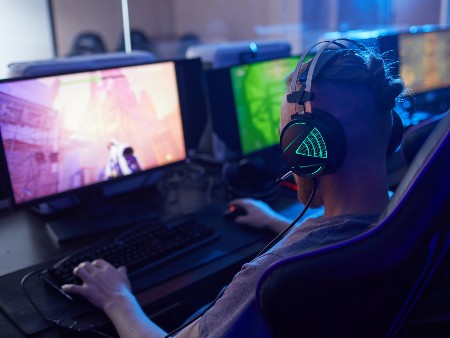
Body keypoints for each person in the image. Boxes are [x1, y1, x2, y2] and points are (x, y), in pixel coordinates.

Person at [61, 43, 404, 337]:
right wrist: (277, 223)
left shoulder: (271, 278)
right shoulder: (408, 210)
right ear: (391, 133)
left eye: (286, 140)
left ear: (306, 149)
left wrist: (117, 299)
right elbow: (339, 236)